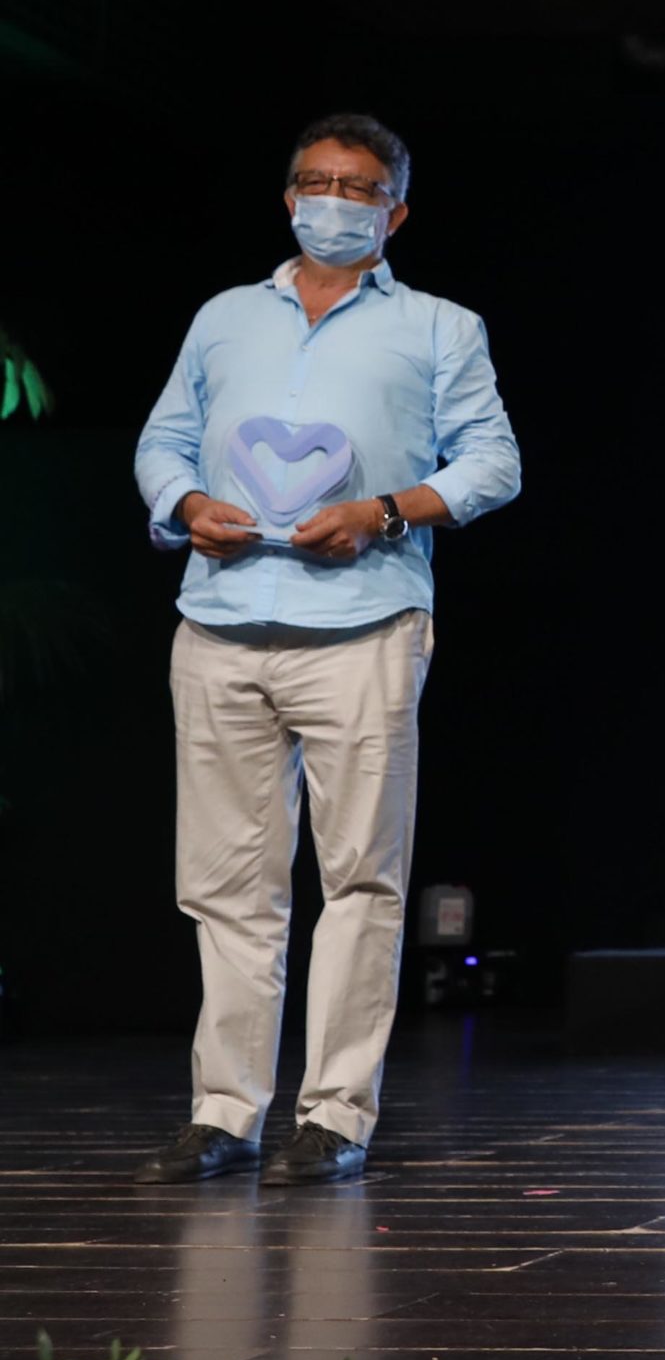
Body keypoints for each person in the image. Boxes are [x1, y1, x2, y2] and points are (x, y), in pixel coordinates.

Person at [131, 112, 524, 1185]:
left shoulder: (440, 327)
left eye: (358, 188)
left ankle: (336, 1116)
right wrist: (187, 501)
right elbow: (164, 438)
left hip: (364, 628)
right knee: (225, 883)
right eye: (316, 181)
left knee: (359, 879)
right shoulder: (224, 318)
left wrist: (383, 511)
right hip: (220, 622)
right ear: (287, 197)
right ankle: (224, 1113)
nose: (333, 201)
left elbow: (493, 463)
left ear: (396, 212)